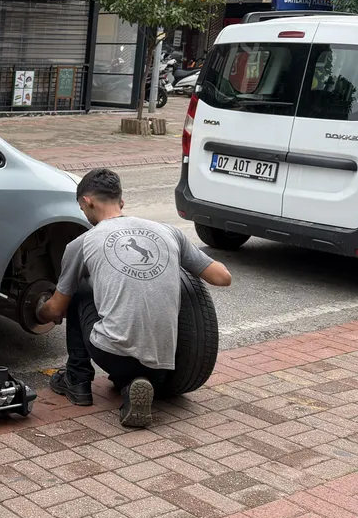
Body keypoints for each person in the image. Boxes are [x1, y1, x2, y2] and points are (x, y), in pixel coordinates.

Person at [36, 168, 232, 428]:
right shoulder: (169, 232)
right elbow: (222, 278)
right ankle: (132, 386)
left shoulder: (82, 243)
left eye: (82, 209)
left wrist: (39, 311)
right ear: (122, 202)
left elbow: (57, 308)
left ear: (87, 201)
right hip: (165, 362)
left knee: (79, 287)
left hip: (112, 355)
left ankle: (77, 380)